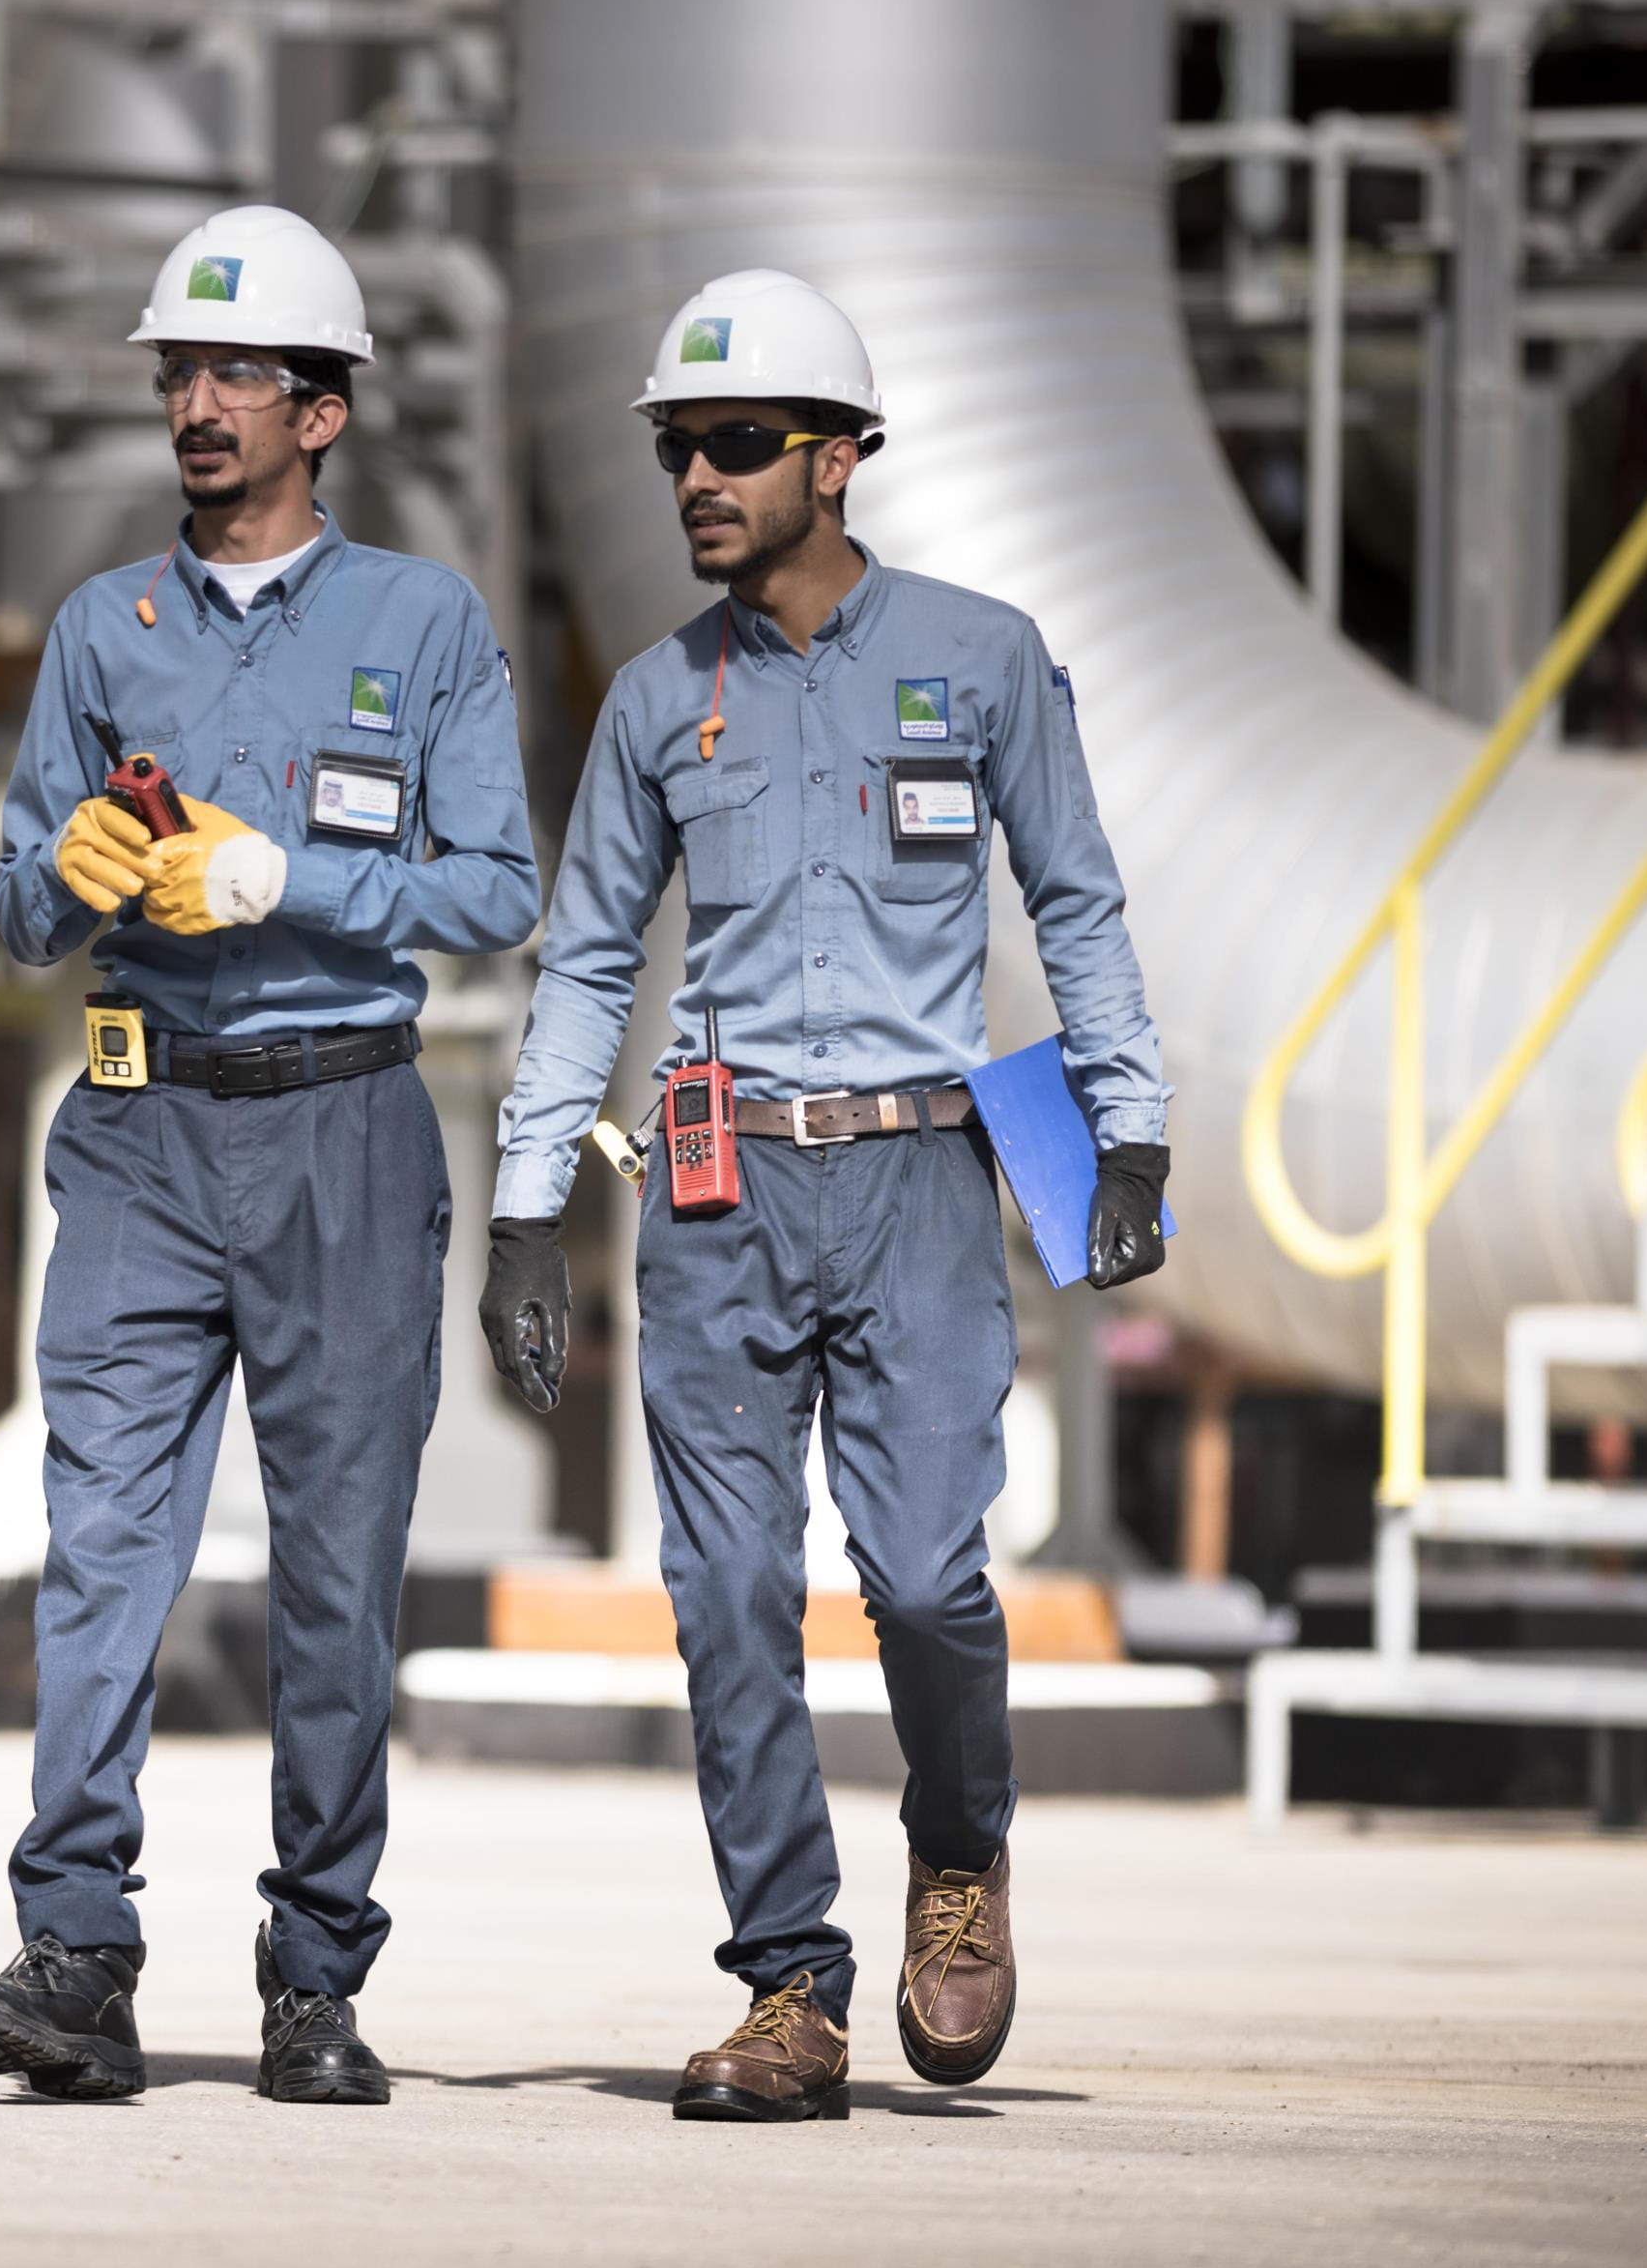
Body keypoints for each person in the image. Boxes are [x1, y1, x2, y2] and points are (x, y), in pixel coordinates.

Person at [479, 268, 1168, 2123]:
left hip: (925, 1178)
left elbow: (1078, 901)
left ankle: (962, 1856)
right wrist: (531, 1204)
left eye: (733, 442)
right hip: (712, 1194)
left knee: (934, 1577)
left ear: (838, 458)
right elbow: (587, 963)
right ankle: (789, 1981)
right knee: (718, 1594)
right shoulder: (652, 703)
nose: (694, 474)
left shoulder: (985, 656)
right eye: (673, 447)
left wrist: (1132, 1126)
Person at [0, 204, 537, 2108]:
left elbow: (499, 887)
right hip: (132, 1125)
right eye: (175, 374)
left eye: (231, 375)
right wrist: (57, 873)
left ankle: (311, 1979)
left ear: (320, 410)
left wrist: (295, 877)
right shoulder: (99, 630)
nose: (193, 403)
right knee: (99, 1543)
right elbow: (17, 901)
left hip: (344, 1125)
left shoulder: (419, 625)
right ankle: (74, 1957)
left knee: (338, 1572)